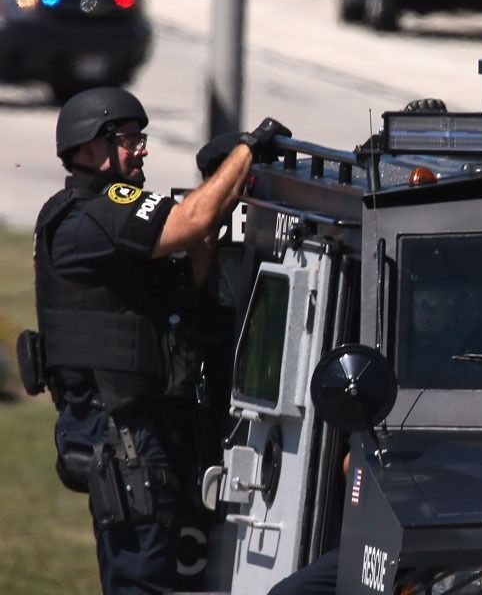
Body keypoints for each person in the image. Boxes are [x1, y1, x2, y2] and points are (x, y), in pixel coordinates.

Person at [30, 86, 289, 593]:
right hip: (124, 439)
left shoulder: (106, 217)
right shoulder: (92, 216)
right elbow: (191, 220)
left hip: (150, 429)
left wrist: (221, 184)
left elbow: (194, 249)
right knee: (145, 579)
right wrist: (247, 150)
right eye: (129, 139)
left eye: (140, 138)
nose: (142, 149)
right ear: (91, 149)